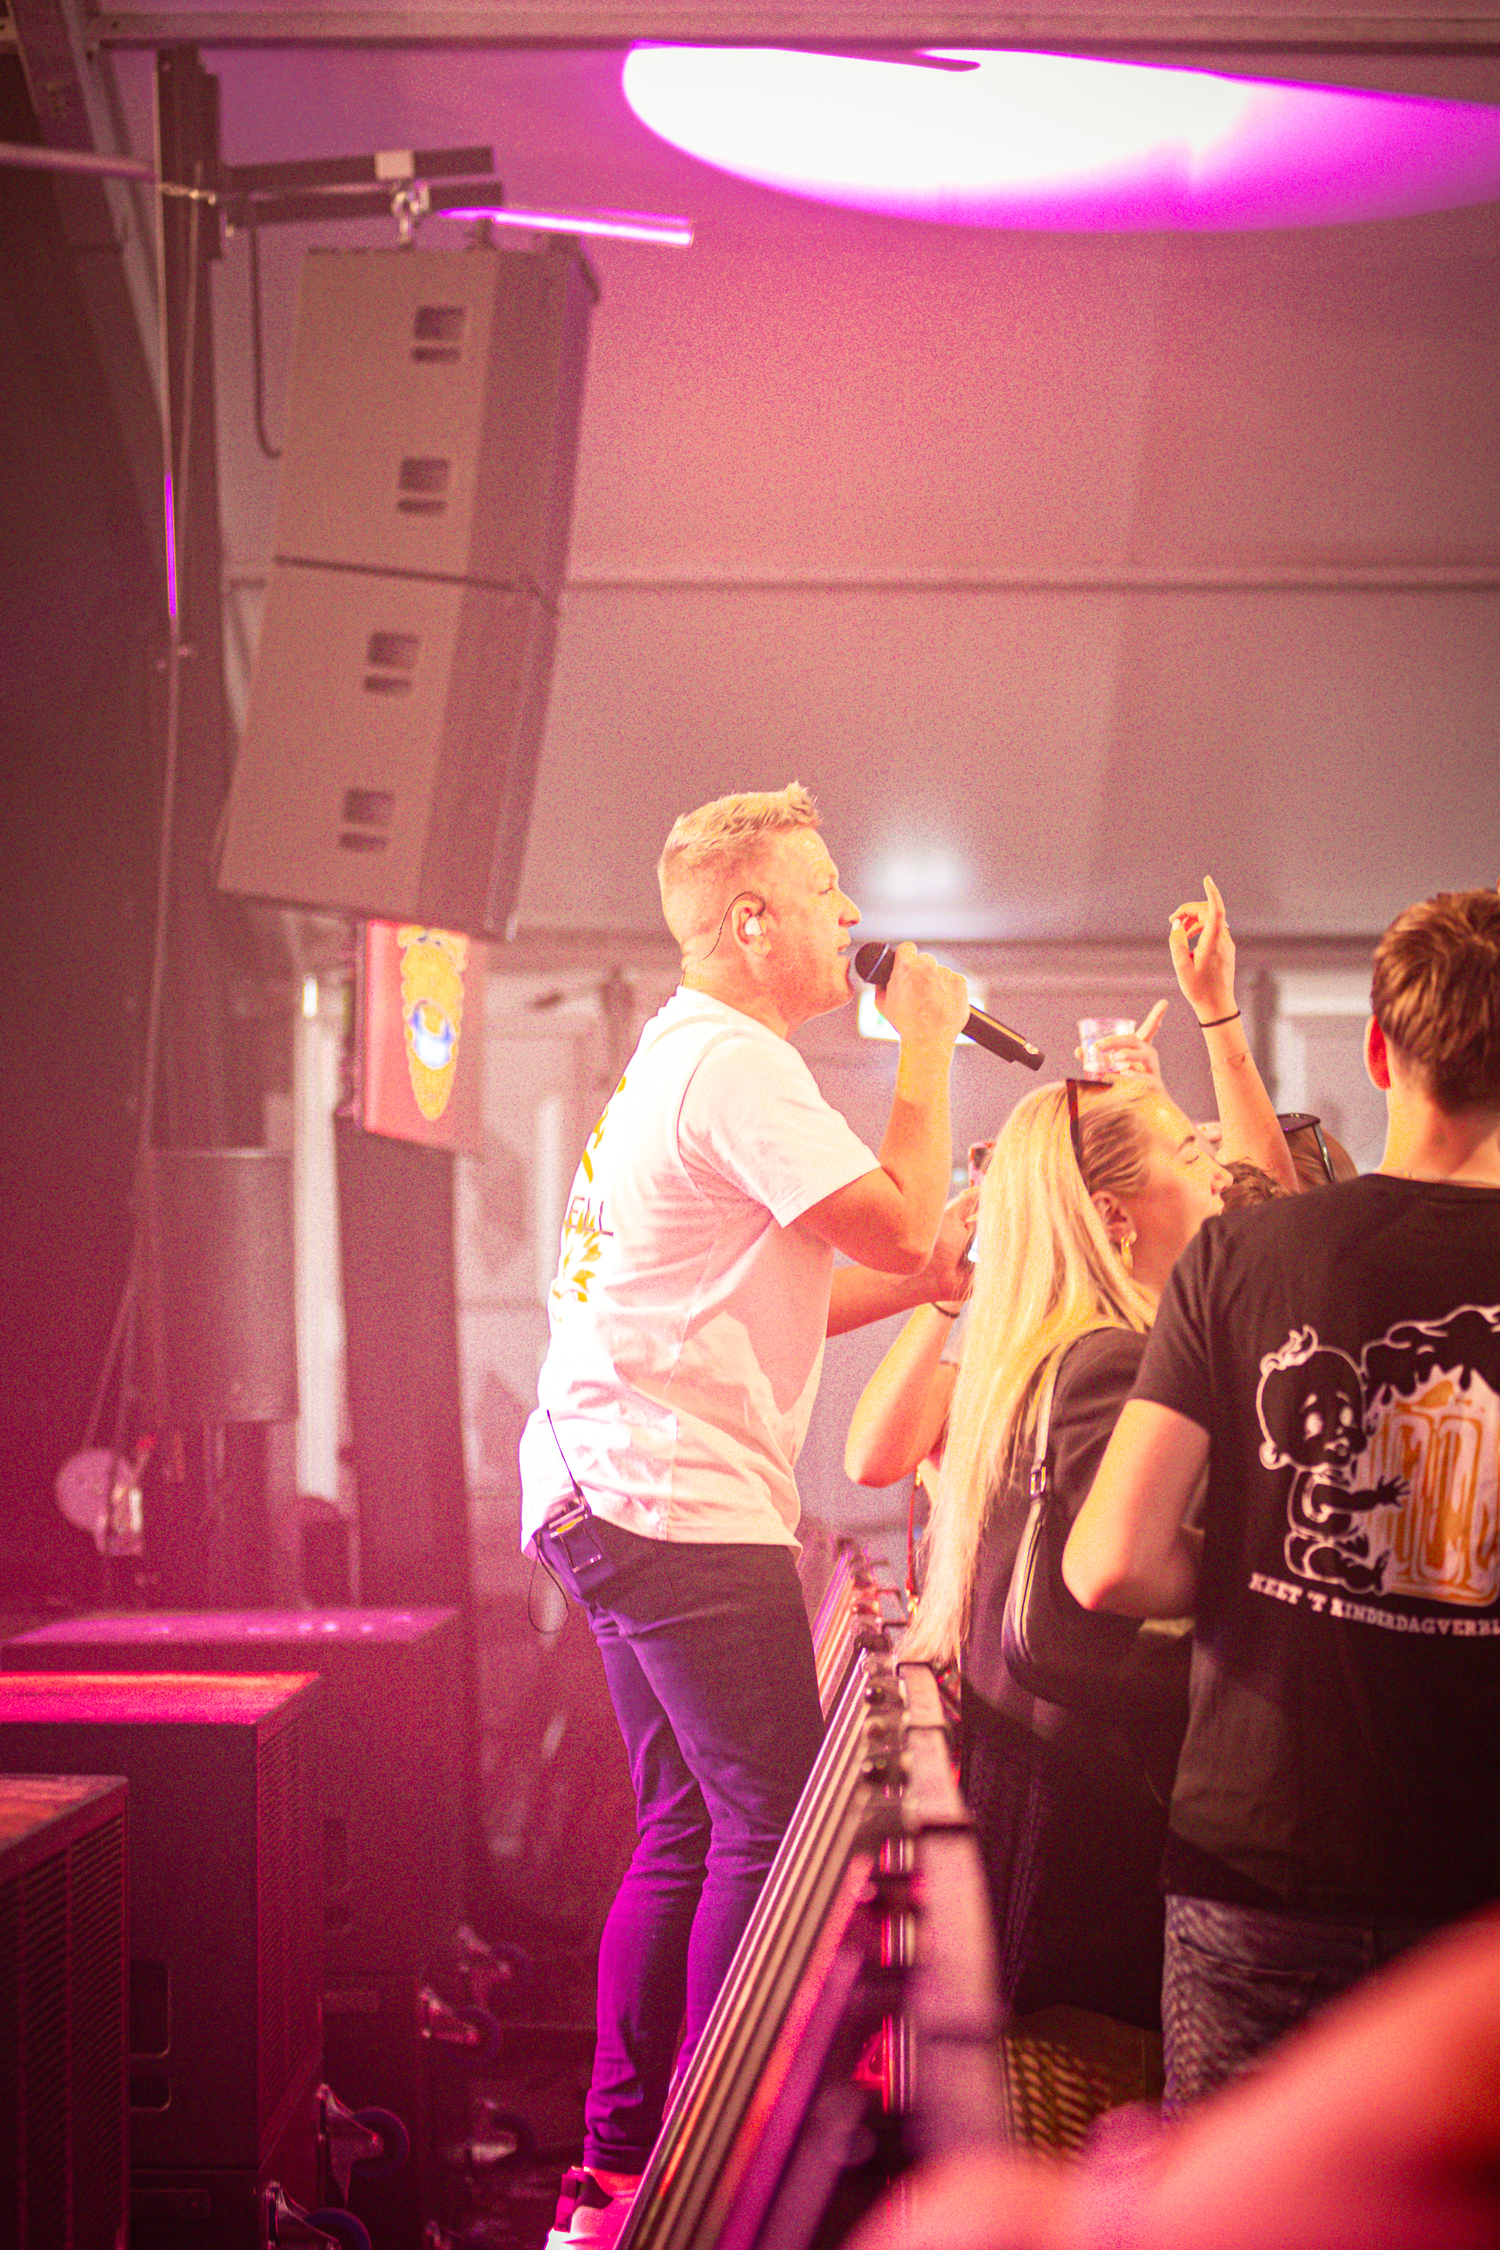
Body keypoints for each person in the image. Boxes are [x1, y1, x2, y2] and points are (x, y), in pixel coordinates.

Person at [517, 783, 971, 2247]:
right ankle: (712, 2178)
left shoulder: (687, 1060)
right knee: (762, 1834)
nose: (853, 918)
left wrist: (926, 1283)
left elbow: (795, 1287)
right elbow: (899, 1215)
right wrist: (932, 1048)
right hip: (668, 1499)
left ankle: (616, 2172)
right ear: (754, 918)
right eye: (827, 889)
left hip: (610, 1484)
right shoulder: (739, 1064)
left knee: (685, 1824)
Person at [1064, 887, 1500, 2114]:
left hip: (1261, 1868)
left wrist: (1270, 1556)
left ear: (1379, 1050)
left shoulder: (1242, 1256)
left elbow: (1106, 1566)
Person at [900, 1068, 1231, 2062]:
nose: (1212, 1166)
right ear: (1116, 1218)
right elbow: (1109, 1580)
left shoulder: (1041, 1350)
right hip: (1085, 1823)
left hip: (1034, 1789)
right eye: (1186, 1150)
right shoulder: (1108, 1363)